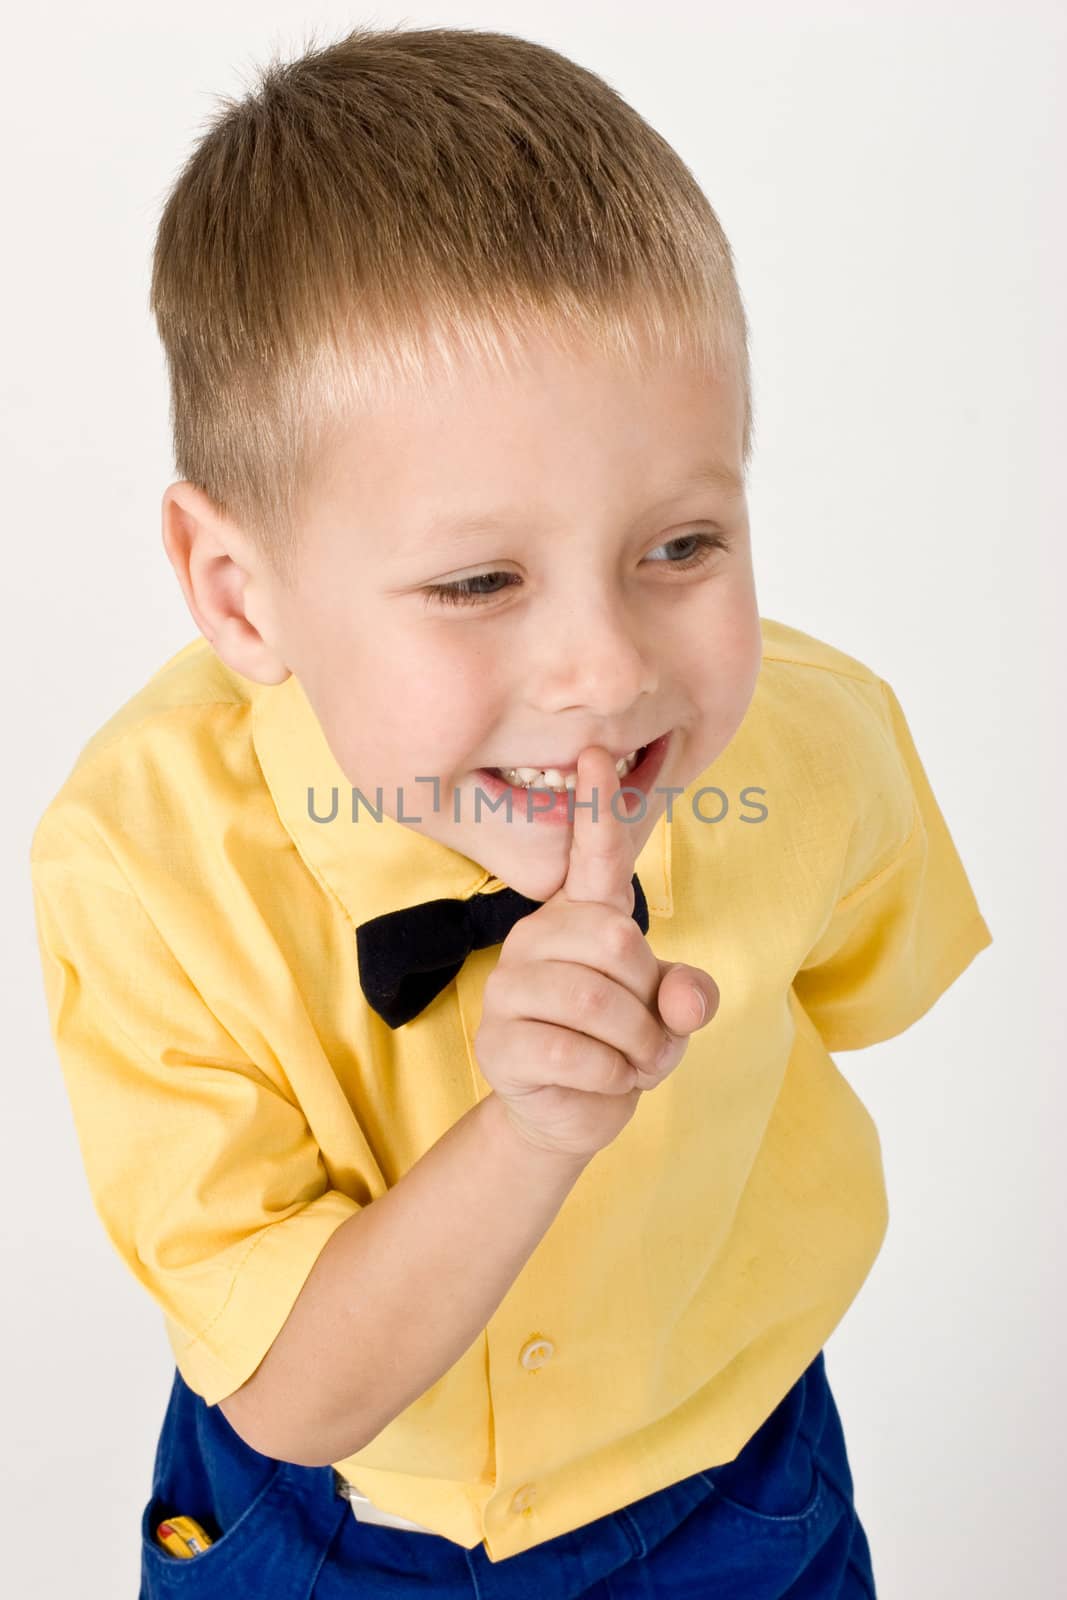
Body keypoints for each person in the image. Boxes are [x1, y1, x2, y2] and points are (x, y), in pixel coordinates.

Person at [28, 23, 992, 1599]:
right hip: (326, 1523)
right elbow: (288, 1394)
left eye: (682, 546)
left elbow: (869, 994)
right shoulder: (140, 863)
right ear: (240, 594)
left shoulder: (821, 747)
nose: (607, 674)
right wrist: (533, 1131)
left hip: (735, 1481)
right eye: (480, 581)